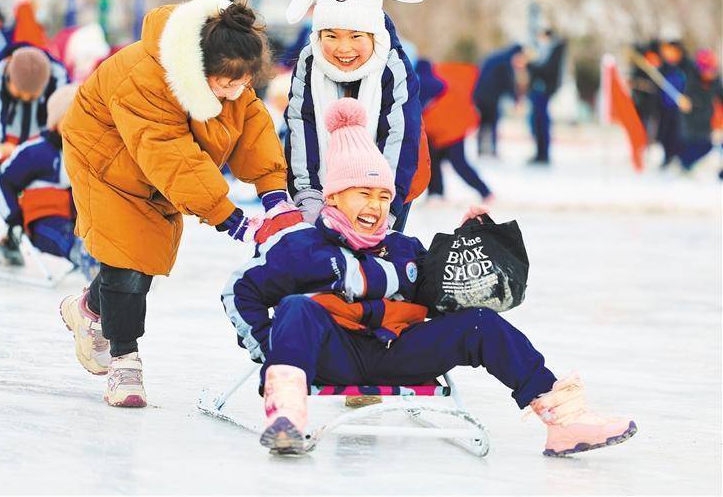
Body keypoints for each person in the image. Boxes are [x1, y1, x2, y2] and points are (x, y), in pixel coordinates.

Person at [222, 98, 637, 456]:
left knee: (480, 324)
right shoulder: (301, 247)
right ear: (333, 197)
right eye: (363, 193)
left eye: (384, 196)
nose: (376, 205)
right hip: (331, 358)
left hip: (397, 354)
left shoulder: (405, 250)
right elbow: (240, 292)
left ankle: (562, 422)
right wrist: (274, 351)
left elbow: (452, 297)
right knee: (298, 308)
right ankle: (287, 418)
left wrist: (476, 243)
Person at [58, 0, 301, 409]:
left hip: (153, 169)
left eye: (244, 83)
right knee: (127, 257)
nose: (236, 92)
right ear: (198, 68)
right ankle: (124, 361)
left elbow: (252, 127)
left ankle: (88, 307)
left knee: (146, 256)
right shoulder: (146, 78)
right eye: (227, 84)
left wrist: (274, 193)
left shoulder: (228, 74)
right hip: (104, 160)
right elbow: (168, 152)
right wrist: (231, 218)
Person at [283, 0, 430, 232]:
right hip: (328, 184)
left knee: (373, 262)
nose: (343, 48)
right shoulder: (310, 62)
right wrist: (308, 195)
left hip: (391, 185)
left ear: (372, 32)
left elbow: (400, 135)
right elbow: (301, 125)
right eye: (331, 35)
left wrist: (385, 207)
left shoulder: (392, 65)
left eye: (355, 36)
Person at [0, 84, 99, 277]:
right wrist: (13, 218)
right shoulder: (35, 152)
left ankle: (107, 262)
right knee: (61, 234)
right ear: (55, 123)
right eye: (70, 118)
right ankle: (84, 256)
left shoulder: (85, 151)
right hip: (40, 219)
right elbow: (3, 181)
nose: (77, 125)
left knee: (98, 230)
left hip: (75, 218)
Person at [0, 44, 69, 228]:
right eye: (19, 94)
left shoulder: (57, 76)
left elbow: (64, 109)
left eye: (32, 96)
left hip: (37, 136)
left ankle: (17, 230)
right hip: (8, 135)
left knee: (31, 178)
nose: (25, 99)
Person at [416, 60, 493, 202]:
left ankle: (485, 192)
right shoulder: (439, 78)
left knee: (458, 164)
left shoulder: (425, 83)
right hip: (446, 130)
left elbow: (434, 90)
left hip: (449, 131)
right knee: (437, 162)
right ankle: (437, 193)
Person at [473, 44, 528, 157]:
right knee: (492, 122)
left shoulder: (497, 57)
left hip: (480, 94)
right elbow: (508, 81)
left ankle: (480, 149)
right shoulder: (506, 61)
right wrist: (515, 98)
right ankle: (493, 149)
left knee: (483, 122)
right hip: (490, 96)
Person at [677, 49, 723, 172]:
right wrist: (683, 102)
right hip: (690, 123)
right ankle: (683, 166)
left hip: (707, 122)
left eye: (713, 70)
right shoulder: (690, 81)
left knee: (707, 146)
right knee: (694, 148)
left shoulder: (716, 82)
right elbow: (681, 97)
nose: (711, 73)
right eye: (708, 71)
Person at [527, 29, 566, 164]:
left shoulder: (554, 50)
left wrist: (530, 66)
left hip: (543, 91)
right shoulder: (547, 50)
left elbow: (546, 70)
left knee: (541, 123)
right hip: (539, 90)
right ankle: (540, 152)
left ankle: (542, 154)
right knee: (536, 123)